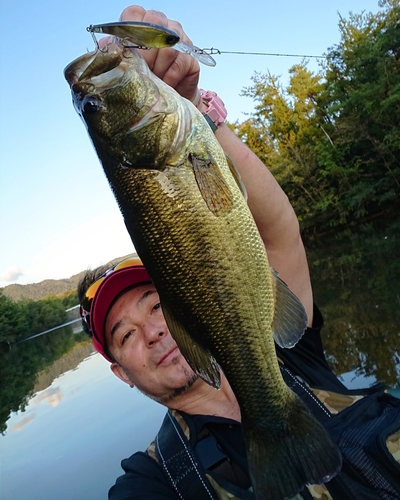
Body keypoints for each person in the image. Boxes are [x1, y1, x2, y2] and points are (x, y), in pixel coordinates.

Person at [78, 6, 400, 499]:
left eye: (158, 306)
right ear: (121, 372)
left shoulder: (281, 351)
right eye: (125, 335)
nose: (154, 332)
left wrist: (194, 108)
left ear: (185, 308)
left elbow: (280, 231)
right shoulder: (153, 481)